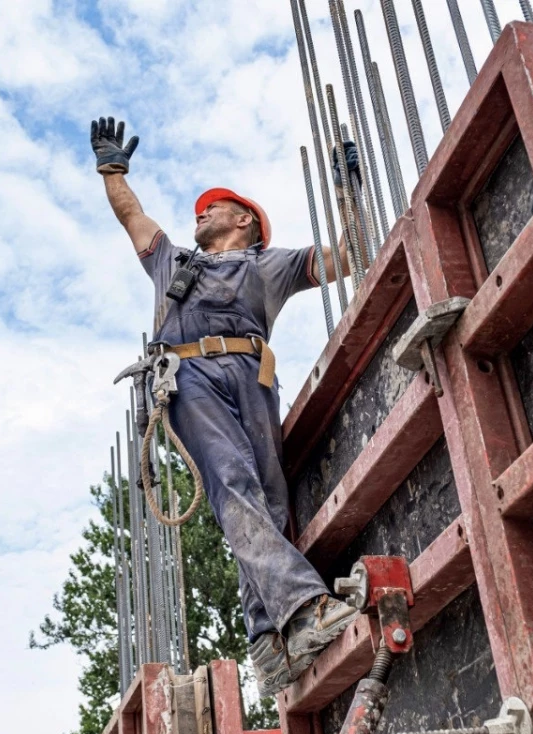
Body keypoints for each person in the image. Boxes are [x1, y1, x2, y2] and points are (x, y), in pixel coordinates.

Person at [92, 116, 359, 697]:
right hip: (190, 377)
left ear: (245, 220)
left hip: (253, 378)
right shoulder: (172, 263)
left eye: (213, 206)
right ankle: (303, 608)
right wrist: (112, 171)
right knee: (233, 484)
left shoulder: (270, 265)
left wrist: (347, 191)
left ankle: (267, 642)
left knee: (269, 502)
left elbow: (349, 254)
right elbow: (132, 216)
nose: (201, 212)